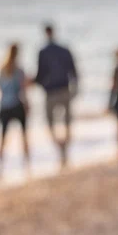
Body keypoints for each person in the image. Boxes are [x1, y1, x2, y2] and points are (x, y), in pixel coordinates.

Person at [34, 23, 79, 166]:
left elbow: (40, 74)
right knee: (67, 122)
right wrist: (75, 88)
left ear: (46, 33)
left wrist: (36, 83)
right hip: (64, 89)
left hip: (52, 91)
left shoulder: (43, 52)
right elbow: (74, 71)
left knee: (50, 122)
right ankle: (64, 149)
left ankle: (61, 148)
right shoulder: (64, 50)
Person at [0, 42, 30, 174]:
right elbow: (23, 90)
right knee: (24, 135)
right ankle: (27, 164)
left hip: (5, 107)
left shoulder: (2, 69)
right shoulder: (19, 70)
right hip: (17, 105)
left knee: (2, 138)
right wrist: (27, 105)